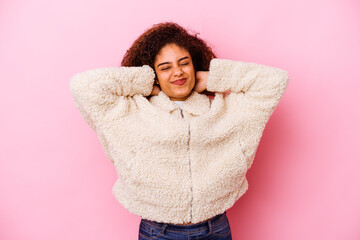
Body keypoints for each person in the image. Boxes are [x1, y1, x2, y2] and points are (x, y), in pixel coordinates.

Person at [69, 22, 289, 240]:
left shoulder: (223, 109)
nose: (178, 72)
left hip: (215, 229)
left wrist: (213, 78)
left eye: (184, 63)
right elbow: (83, 86)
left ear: (195, 65)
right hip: (158, 232)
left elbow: (274, 80)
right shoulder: (133, 112)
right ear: (153, 72)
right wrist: (145, 83)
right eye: (165, 67)